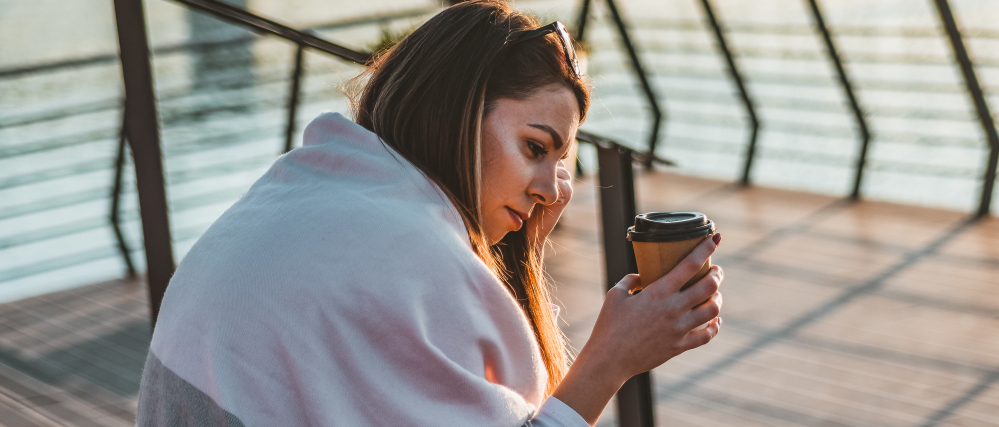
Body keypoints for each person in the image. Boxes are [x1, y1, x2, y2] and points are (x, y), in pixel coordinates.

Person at [135, 1, 724, 425]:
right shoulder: (411, 251)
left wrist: (514, 252)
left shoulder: (309, 184)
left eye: (561, 162)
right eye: (535, 148)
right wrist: (611, 360)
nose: (553, 189)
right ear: (458, 111)